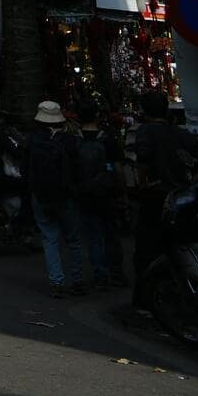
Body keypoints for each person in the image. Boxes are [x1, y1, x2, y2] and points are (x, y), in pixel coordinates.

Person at [129, 89, 198, 306]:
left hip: (157, 202)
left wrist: (143, 183)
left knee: (147, 253)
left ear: (144, 111)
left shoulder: (146, 132)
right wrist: (189, 184)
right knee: (183, 248)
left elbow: (143, 161)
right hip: (183, 202)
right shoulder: (181, 135)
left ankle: (147, 302)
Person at [23, 100, 84, 298]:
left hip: (41, 196)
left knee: (50, 239)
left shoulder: (32, 141)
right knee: (73, 239)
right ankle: (77, 281)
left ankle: (57, 282)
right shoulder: (69, 141)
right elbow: (77, 169)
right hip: (66, 196)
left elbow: (25, 169)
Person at [69, 99, 123, 291]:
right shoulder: (107, 138)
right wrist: (121, 191)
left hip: (84, 192)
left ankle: (100, 273)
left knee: (93, 234)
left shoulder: (74, 140)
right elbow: (118, 168)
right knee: (111, 232)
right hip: (106, 192)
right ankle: (115, 272)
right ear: (97, 115)